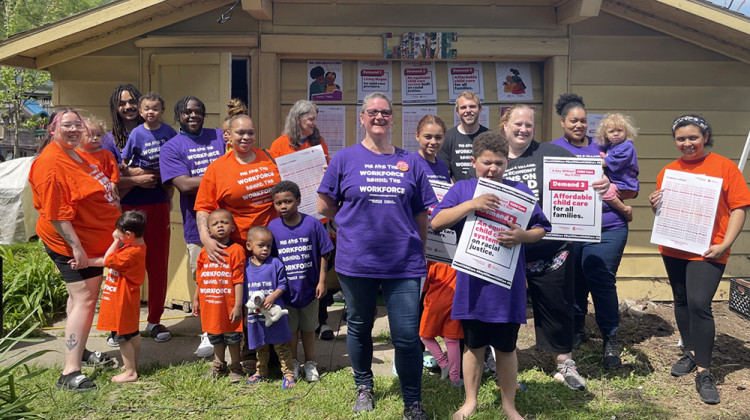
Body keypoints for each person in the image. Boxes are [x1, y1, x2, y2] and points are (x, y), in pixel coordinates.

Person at [317, 92, 436, 419]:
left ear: (392, 118)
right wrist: (349, 225)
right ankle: (364, 387)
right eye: (373, 112)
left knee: (407, 335)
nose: (379, 117)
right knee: (358, 325)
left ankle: (412, 401)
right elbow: (324, 205)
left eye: (385, 112)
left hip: (404, 262)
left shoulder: (411, 162)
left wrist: (420, 252)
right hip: (357, 261)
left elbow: (421, 214)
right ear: (362, 118)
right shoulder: (344, 159)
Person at [431, 131, 550, 420]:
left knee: (507, 347)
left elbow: (541, 228)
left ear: (507, 163)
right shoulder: (462, 189)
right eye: (486, 163)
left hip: (506, 286)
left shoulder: (518, 191)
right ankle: (470, 402)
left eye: (498, 163)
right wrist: (472, 204)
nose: (492, 169)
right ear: (474, 162)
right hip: (472, 284)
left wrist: (523, 235)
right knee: (474, 346)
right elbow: (436, 222)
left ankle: (509, 406)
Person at [649, 114, 750, 404]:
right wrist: (657, 204)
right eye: (681, 138)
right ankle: (691, 353)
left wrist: (725, 244)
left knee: (699, 304)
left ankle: (705, 371)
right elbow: (666, 214)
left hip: (709, 250)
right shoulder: (668, 171)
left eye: (693, 137)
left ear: (704, 137)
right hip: (674, 247)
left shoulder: (724, 167)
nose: (687, 143)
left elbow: (739, 207)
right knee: (681, 299)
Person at [498, 104, 591, 390]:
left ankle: (564, 362)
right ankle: (496, 358)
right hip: (506, 251)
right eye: (518, 124)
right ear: (505, 125)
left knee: (557, 305)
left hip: (550, 250)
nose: (524, 129)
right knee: (500, 310)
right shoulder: (494, 157)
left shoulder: (550, 153)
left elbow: (585, 174)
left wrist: (601, 181)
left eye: (529, 125)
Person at [29, 108, 121, 392]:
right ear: (52, 128)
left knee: (78, 299)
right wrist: (77, 249)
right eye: (66, 125)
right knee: (84, 299)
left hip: (92, 239)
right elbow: (58, 215)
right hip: (73, 243)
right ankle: (70, 373)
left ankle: (77, 349)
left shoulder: (75, 154)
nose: (74, 130)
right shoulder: (51, 164)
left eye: (77, 125)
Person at [551, 93, 627, 369]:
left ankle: (610, 338)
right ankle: (577, 330)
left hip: (608, 226)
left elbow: (631, 188)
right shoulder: (550, 150)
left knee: (600, 278)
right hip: (569, 228)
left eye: (583, 121)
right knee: (573, 281)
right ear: (563, 122)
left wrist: (611, 187)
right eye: (573, 120)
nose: (579, 125)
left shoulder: (608, 149)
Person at [118, 91, 177, 343]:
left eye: (155, 108)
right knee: (128, 264)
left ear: (162, 110)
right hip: (131, 206)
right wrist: (136, 176)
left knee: (158, 264)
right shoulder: (134, 134)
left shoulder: (170, 133)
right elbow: (120, 165)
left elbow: (177, 162)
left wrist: (166, 182)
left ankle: (154, 320)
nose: (150, 111)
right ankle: (122, 323)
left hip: (159, 203)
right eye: (146, 108)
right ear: (142, 112)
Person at [411, 115, 463, 386]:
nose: (433, 142)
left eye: (438, 137)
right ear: (417, 135)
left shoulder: (443, 167)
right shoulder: (409, 163)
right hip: (414, 242)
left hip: (439, 244)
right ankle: (410, 357)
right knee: (413, 305)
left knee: (434, 303)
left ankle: (441, 361)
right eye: (427, 136)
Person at [268, 181, 333, 382]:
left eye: (288, 201)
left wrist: (322, 281)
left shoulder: (312, 224)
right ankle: (293, 362)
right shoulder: (272, 227)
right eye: (278, 203)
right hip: (285, 292)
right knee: (291, 331)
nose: (283, 206)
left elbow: (325, 252)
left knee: (308, 329)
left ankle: (310, 362)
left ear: (298, 201)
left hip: (309, 290)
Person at [160, 96, 226, 288]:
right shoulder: (171, 147)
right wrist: (226, 177)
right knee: (207, 285)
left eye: (198, 111)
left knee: (234, 281)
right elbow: (185, 185)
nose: (193, 115)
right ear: (179, 115)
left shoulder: (220, 136)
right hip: (198, 228)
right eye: (187, 112)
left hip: (233, 223)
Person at [194, 114, 281, 258]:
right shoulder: (217, 169)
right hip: (237, 248)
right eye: (240, 132)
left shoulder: (272, 158)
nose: (246, 137)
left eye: (250, 133)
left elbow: (296, 180)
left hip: (273, 244)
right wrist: (205, 238)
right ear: (228, 134)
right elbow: (204, 208)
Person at [90, 210, 147, 383]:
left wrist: (115, 241)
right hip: (128, 300)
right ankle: (132, 365)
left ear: (129, 235)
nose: (118, 237)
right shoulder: (136, 247)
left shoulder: (130, 253)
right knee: (133, 334)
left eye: (120, 235)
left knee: (123, 338)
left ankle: (130, 372)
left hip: (122, 301)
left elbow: (107, 260)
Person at [192, 209, 246, 383]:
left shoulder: (237, 250)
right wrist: (196, 299)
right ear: (208, 230)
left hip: (228, 305)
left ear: (233, 227)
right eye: (215, 224)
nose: (220, 226)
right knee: (215, 335)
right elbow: (199, 278)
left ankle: (236, 365)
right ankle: (218, 364)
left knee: (232, 337)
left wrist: (238, 305)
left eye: (224, 222)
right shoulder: (203, 252)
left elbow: (239, 280)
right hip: (210, 304)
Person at [243, 226, 295, 389]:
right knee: (261, 345)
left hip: (275, 315)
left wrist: (272, 297)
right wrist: (246, 314)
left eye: (269, 246)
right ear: (249, 246)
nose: (265, 249)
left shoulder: (275, 263)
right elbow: (245, 294)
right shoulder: (245, 267)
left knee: (281, 346)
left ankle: (288, 374)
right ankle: (261, 372)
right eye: (261, 245)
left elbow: (283, 284)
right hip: (256, 316)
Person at [595, 113, 640, 222]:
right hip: (618, 182)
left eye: (619, 131)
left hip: (625, 183)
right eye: (611, 131)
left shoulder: (626, 147)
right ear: (605, 134)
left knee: (605, 192)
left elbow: (610, 162)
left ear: (626, 131)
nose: (616, 134)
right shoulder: (612, 146)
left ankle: (625, 210)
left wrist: (593, 162)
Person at [437, 91, 489, 182]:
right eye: (463, 107)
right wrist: (458, 192)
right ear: (457, 112)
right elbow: (444, 173)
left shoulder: (490, 137)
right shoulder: (447, 138)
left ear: (480, 109)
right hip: (457, 193)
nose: (468, 110)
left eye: (472, 106)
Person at [78, 117, 120, 207]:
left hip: (105, 192)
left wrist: (113, 187)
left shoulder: (106, 154)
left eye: (98, 135)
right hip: (85, 194)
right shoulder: (76, 155)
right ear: (80, 136)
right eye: (90, 135)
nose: (95, 138)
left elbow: (114, 172)